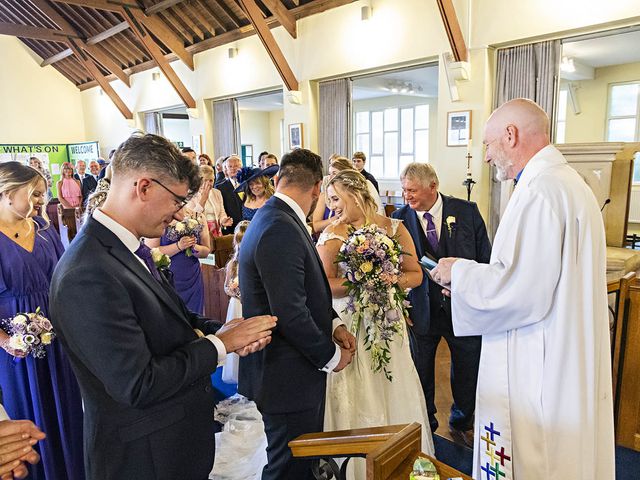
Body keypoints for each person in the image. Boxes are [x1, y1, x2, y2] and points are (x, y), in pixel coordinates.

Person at [49, 133, 277, 480]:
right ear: (143, 187)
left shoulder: (126, 247)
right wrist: (221, 345)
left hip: (174, 443)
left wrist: (227, 331)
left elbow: (175, 317)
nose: (179, 214)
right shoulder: (87, 272)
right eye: (177, 200)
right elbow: (138, 384)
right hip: (144, 456)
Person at [432, 98, 615, 479]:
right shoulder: (570, 185)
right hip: (563, 352)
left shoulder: (539, 192)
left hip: (538, 359)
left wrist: (459, 273)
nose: (486, 157)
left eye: (488, 144)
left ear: (511, 135)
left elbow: (521, 289)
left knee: (535, 456)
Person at [238, 148, 355, 480]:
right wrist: (331, 356)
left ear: (277, 179)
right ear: (317, 188)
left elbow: (303, 289)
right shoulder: (279, 225)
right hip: (286, 374)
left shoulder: (277, 216)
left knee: (300, 463)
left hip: (288, 373)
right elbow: (289, 311)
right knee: (288, 468)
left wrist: (333, 324)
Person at [318, 170, 433, 478]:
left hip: (388, 322)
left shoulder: (395, 228)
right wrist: (361, 282)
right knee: (358, 386)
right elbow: (323, 285)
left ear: (355, 195)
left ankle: (397, 459)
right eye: (329, 201)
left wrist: (391, 280)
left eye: (335, 199)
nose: (332, 208)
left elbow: (416, 274)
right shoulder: (332, 234)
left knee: (393, 382)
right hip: (351, 322)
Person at [392, 162, 491, 447]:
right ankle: (427, 424)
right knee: (421, 369)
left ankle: (462, 421)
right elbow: (394, 268)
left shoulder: (466, 212)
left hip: (463, 308)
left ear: (432, 186)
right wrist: (401, 306)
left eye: (412, 190)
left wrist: (470, 288)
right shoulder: (399, 219)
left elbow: (485, 258)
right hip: (420, 309)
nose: (406, 196)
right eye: (404, 189)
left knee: (467, 368)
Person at [0, 161, 85, 480]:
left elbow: (63, 281)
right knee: (28, 412)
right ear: (8, 193)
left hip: (56, 338)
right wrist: (8, 341)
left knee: (65, 406)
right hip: (14, 348)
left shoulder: (46, 231)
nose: (40, 200)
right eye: (34, 194)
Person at [147, 205, 211, 315]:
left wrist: (193, 247)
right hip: (168, 278)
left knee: (195, 317)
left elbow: (206, 251)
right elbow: (152, 252)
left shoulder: (197, 216)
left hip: (192, 278)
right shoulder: (158, 216)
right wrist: (179, 246)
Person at [311, 156, 383, 235]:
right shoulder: (323, 196)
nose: (330, 177)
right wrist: (337, 218)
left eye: (334, 173)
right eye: (329, 174)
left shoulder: (360, 193)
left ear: (346, 174)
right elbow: (316, 226)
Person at [221, 220, 251, 384]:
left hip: (249, 304)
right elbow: (226, 286)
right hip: (237, 305)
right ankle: (238, 373)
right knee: (237, 336)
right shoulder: (233, 264)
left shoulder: (255, 261)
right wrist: (233, 291)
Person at [190, 165, 232, 239]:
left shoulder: (217, 192)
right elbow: (192, 217)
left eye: (211, 180)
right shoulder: (192, 194)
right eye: (205, 180)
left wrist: (223, 220)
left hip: (216, 230)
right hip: (200, 231)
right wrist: (203, 199)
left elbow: (222, 211)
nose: (208, 183)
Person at [217, 155, 243, 233]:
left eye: (236, 166)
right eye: (230, 167)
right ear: (226, 170)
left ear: (241, 168)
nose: (233, 169)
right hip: (231, 229)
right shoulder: (220, 187)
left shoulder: (248, 184)